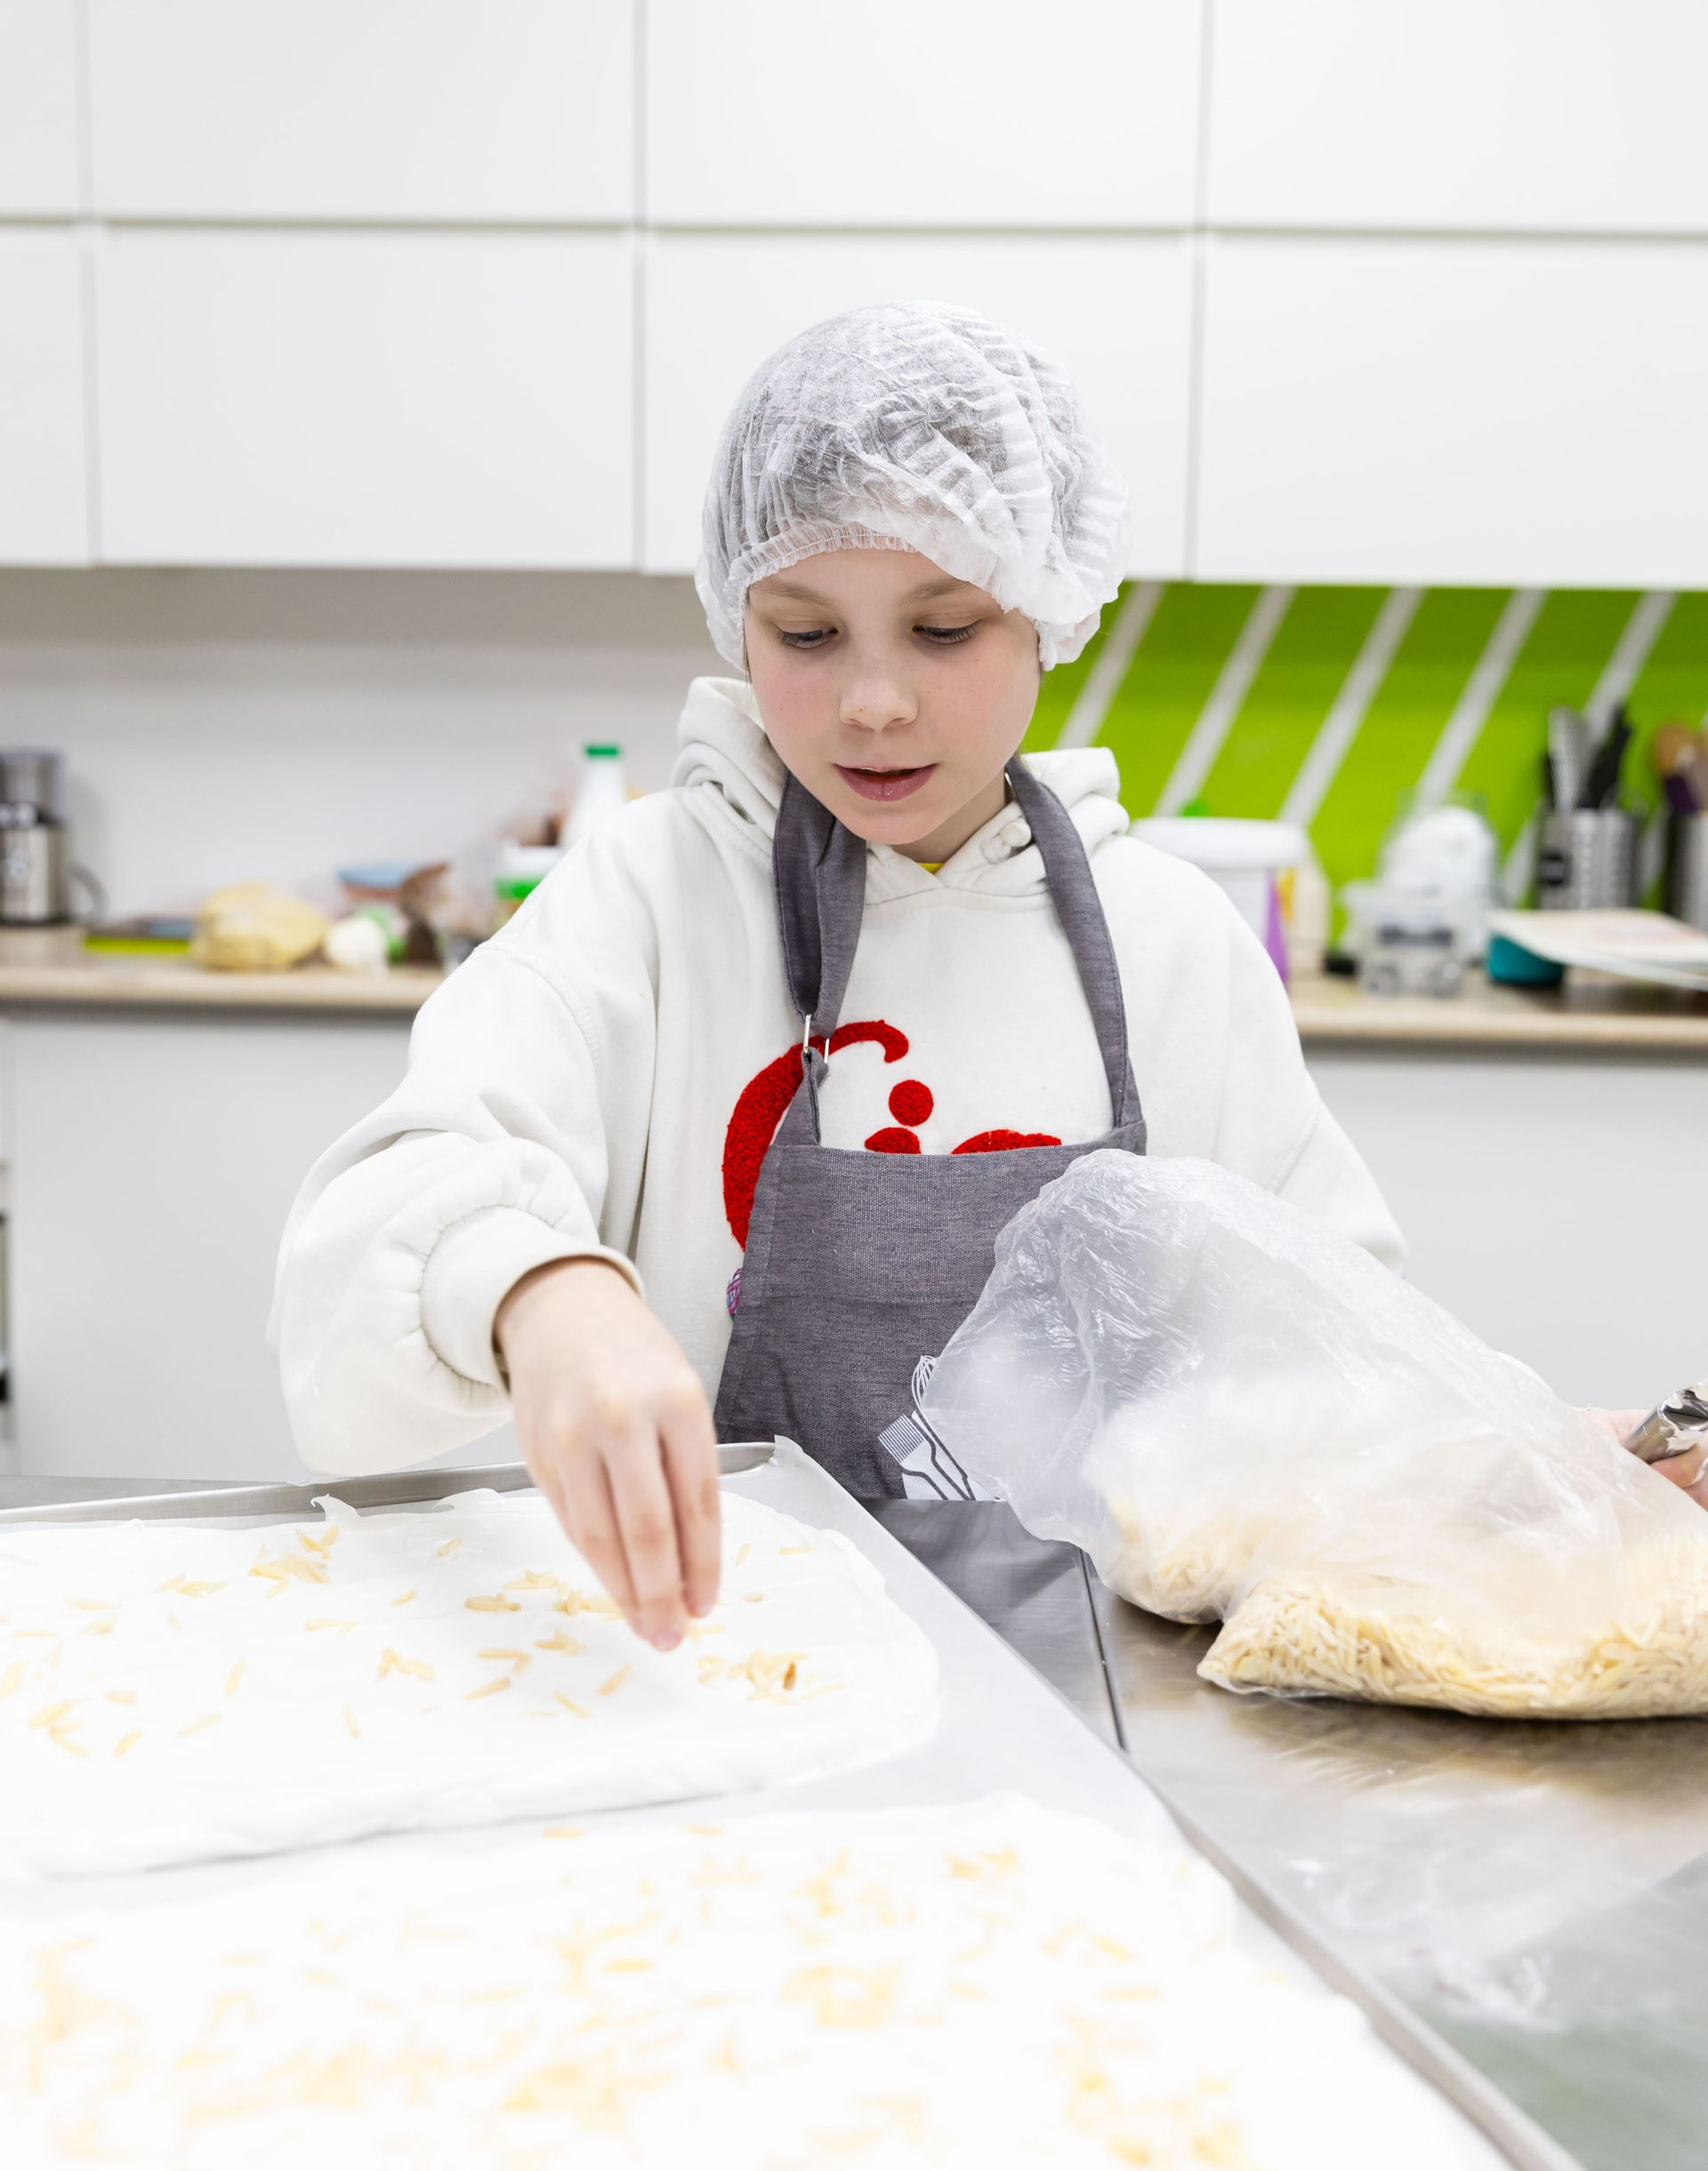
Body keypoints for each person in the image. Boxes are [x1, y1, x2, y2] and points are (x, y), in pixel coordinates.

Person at [270, 302, 1701, 1661]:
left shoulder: (1168, 944)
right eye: (805, 633)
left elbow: (1329, 1359)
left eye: (944, 628)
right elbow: (384, 1220)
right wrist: (541, 1290)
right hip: (718, 1671)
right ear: (736, 621)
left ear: (1049, 612)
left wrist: (1556, 1461)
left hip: (1104, 1691)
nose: (874, 701)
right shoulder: (650, 896)